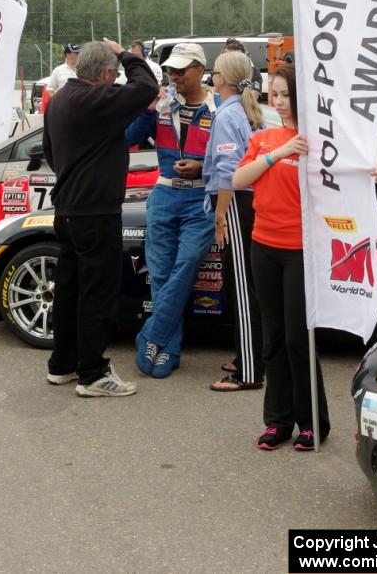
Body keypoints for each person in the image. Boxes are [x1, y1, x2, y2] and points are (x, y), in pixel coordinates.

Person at [42, 38, 158, 397]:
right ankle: (92, 374)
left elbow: (48, 150)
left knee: (70, 289)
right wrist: (127, 53)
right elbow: (147, 86)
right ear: (107, 74)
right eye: (114, 73)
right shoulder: (97, 99)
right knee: (97, 293)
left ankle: (62, 364)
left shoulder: (60, 98)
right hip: (95, 212)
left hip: (68, 210)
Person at [233, 64, 331, 452]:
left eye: (285, 94)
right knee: (271, 338)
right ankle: (277, 422)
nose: (278, 101)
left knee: (297, 339)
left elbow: (341, 176)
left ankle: (312, 423)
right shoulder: (264, 139)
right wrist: (277, 154)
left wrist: (369, 173)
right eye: (273, 94)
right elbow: (239, 180)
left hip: (300, 251)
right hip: (263, 246)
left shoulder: (317, 140)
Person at [126, 42, 216, 378]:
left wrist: (202, 168)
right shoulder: (162, 103)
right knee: (161, 275)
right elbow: (129, 138)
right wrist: (148, 109)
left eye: (180, 70)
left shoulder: (219, 106)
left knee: (187, 263)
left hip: (201, 199)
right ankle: (169, 350)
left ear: (199, 70)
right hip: (163, 195)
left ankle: (151, 336)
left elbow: (234, 158)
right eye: (170, 71)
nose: (174, 76)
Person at [203, 50, 265, 392]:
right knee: (246, 283)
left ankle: (250, 371)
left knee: (241, 286)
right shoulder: (246, 111)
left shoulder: (228, 115)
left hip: (235, 203)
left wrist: (220, 216)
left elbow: (229, 172)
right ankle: (249, 355)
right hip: (246, 202)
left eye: (214, 72)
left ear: (222, 78)